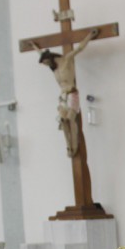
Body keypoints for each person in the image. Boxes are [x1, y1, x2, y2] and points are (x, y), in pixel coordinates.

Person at [39, 28, 100, 158]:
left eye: (45, 62)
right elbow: (40, 53)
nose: (46, 65)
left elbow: (79, 49)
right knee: (63, 121)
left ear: (50, 58)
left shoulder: (66, 60)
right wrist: (34, 46)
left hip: (72, 93)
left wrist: (89, 36)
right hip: (62, 97)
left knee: (70, 119)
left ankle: (75, 144)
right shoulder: (54, 69)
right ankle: (69, 146)